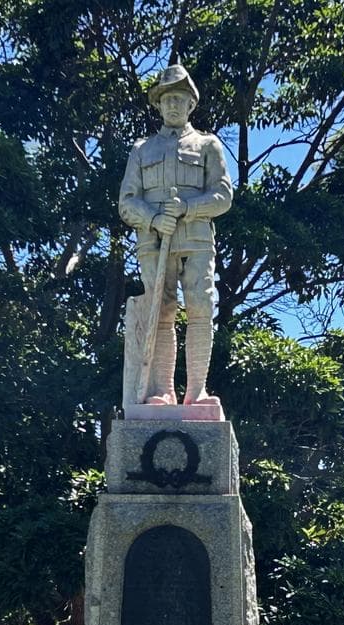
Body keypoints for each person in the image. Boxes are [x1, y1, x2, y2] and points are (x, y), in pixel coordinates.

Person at [119, 64, 233, 407]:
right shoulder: (141, 150)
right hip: (154, 243)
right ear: (158, 104)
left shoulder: (208, 145)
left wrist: (187, 207)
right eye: (167, 98)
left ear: (191, 105)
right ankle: (163, 390)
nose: (173, 105)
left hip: (196, 238)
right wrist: (153, 218)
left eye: (179, 99)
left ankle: (196, 390)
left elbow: (223, 196)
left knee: (200, 306)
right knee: (162, 310)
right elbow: (126, 202)